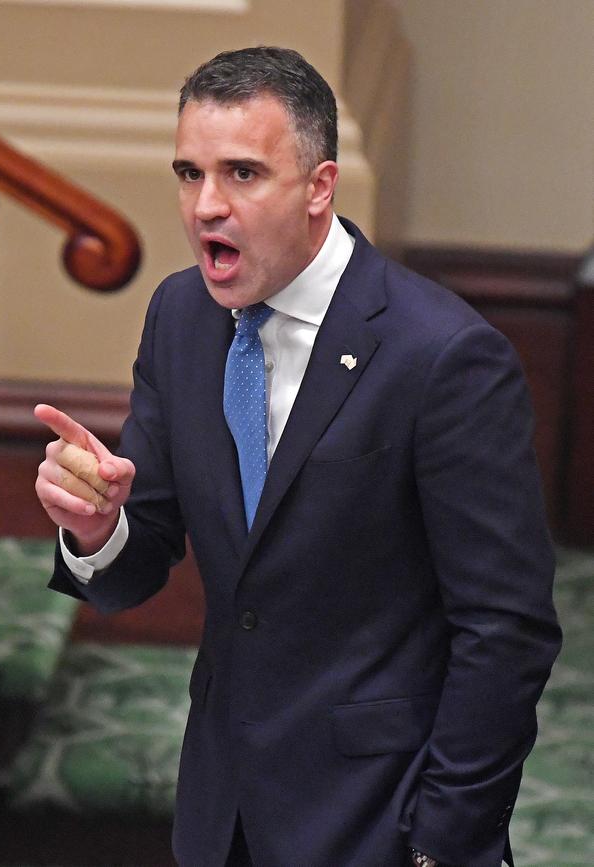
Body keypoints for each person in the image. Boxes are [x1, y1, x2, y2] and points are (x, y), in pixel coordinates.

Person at [35, 46, 561, 867]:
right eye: (189, 172)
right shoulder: (181, 316)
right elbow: (145, 555)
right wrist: (98, 530)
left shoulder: (444, 355)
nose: (206, 205)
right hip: (221, 814)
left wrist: (443, 845)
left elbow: (506, 630)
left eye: (242, 174)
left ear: (320, 187)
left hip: (378, 819)